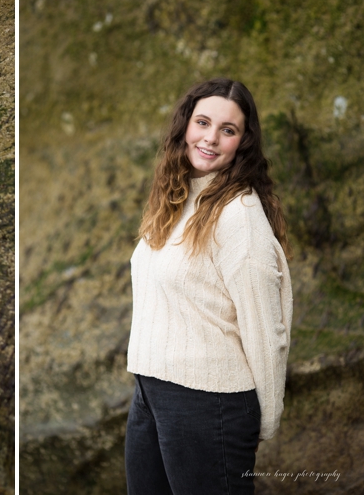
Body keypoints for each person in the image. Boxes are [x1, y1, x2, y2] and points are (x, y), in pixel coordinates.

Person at [125, 78, 293, 494]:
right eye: (203, 122)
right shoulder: (176, 197)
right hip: (150, 391)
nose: (211, 138)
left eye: (228, 130)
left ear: (243, 143)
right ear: (185, 126)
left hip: (208, 403)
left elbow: (266, 329)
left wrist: (265, 419)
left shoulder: (240, 217)